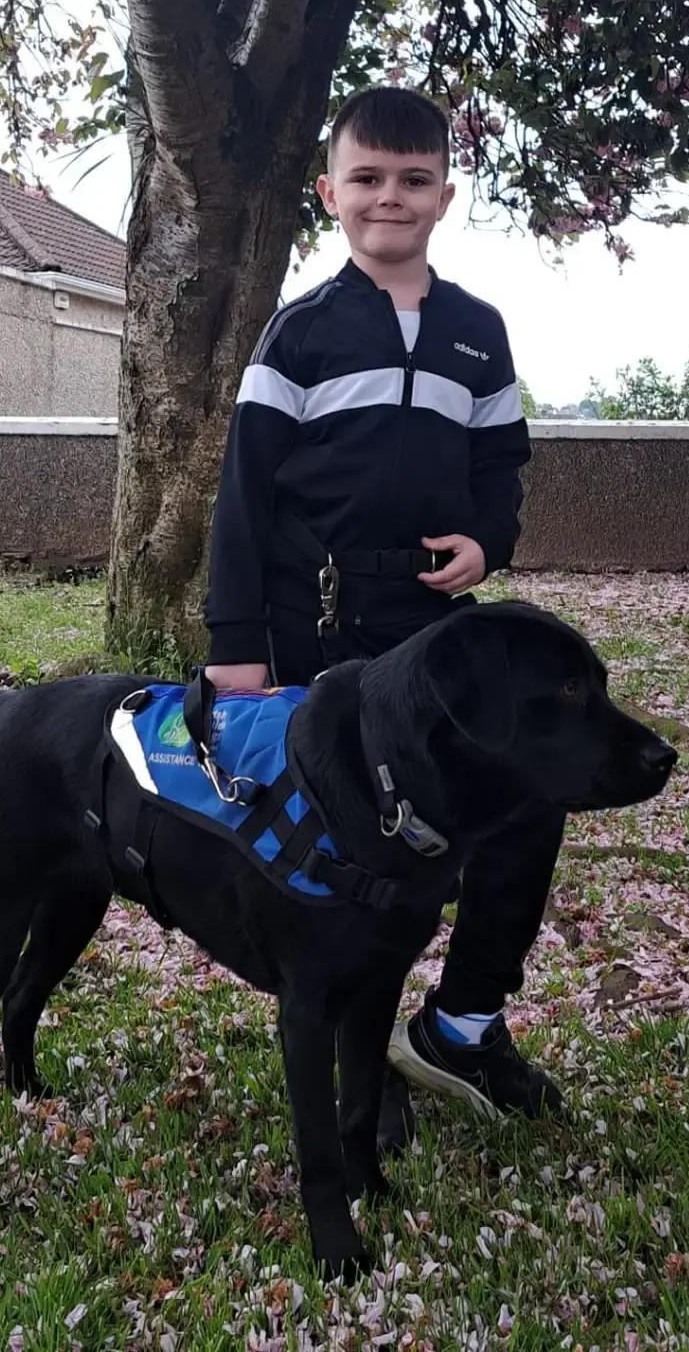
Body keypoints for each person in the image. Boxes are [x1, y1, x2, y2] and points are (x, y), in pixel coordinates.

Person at [203, 85, 560, 1146]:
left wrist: (489, 543)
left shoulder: (475, 335)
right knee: (350, 846)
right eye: (366, 179)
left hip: (437, 635)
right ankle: (362, 1052)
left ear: (445, 196)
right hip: (317, 628)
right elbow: (244, 494)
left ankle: (461, 1025)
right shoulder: (301, 334)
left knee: (518, 809)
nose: (388, 198)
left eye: (412, 181)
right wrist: (236, 649)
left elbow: (503, 464)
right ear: (329, 193)